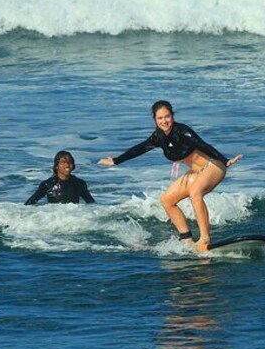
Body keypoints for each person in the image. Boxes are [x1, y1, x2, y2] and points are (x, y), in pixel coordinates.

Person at [98, 100, 242, 253]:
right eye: (160, 118)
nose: (164, 121)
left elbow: (202, 145)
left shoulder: (182, 131)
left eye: (167, 117)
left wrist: (225, 160)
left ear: (172, 116)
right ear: (155, 120)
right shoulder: (158, 137)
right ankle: (187, 240)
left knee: (195, 193)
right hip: (195, 173)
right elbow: (140, 148)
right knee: (167, 200)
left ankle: (204, 238)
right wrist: (115, 161)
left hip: (213, 166)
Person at [25, 150, 95, 205]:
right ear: (56, 166)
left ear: (73, 166)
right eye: (63, 162)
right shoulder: (47, 184)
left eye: (69, 162)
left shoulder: (79, 183)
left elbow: (91, 203)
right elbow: (29, 203)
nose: (67, 165)